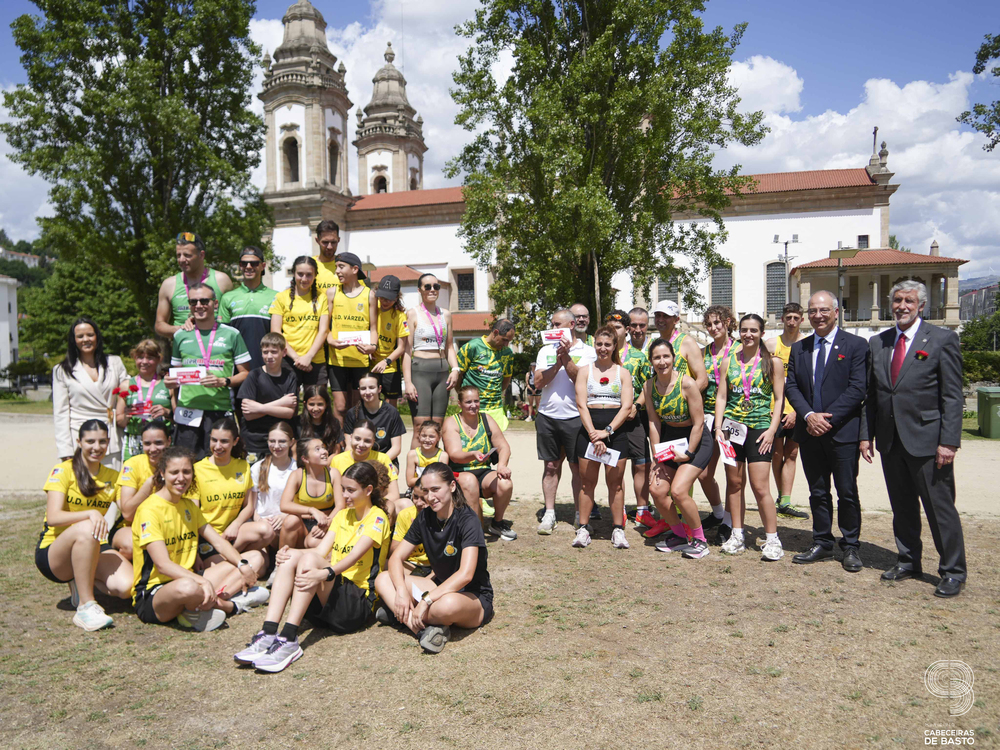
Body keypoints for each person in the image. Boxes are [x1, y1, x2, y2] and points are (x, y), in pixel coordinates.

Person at [860, 280, 967, 597]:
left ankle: (953, 571)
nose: (902, 306)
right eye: (897, 300)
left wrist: (949, 442)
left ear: (921, 305)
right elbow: (872, 395)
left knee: (940, 509)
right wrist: (867, 436)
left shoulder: (941, 340)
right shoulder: (878, 343)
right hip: (891, 442)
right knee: (902, 506)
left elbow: (951, 396)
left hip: (929, 442)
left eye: (909, 301)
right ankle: (908, 560)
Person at [235, 461, 392, 671]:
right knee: (293, 556)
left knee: (309, 561)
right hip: (328, 599)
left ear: (369, 490)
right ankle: (269, 632)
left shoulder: (378, 518)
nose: (344, 495)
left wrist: (324, 573)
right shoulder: (343, 515)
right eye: (343, 489)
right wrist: (289, 554)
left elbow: (354, 557)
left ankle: (289, 639)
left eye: (351, 490)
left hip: (356, 605)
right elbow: (319, 552)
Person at [131, 446, 258, 632]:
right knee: (187, 587)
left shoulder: (188, 505)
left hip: (190, 578)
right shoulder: (149, 510)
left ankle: (203, 604)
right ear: (162, 474)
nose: (181, 478)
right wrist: (203, 582)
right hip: (155, 593)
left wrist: (242, 564)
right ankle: (226, 605)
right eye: (174, 472)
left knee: (254, 557)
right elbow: (163, 565)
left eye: (186, 472)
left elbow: (218, 542)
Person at [784, 292, 868, 572]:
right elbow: (792, 387)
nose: (817, 315)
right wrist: (809, 416)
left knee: (847, 492)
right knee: (817, 492)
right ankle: (821, 542)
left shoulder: (856, 345)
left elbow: (858, 389)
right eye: (812, 311)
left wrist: (827, 419)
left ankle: (851, 546)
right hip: (809, 432)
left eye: (823, 310)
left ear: (835, 311)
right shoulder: (800, 348)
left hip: (841, 432)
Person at [373, 462, 494, 654]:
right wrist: (402, 592)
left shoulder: (468, 520)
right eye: (426, 491)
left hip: (472, 597)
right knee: (383, 578)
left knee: (446, 606)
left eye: (436, 489)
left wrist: (426, 601)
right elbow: (396, 558)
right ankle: (420, 630)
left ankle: (400, 615)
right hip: (439, 588)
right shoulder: (425, 517)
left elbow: (466, 575)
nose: (430, 497)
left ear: (452, 486)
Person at [36, 420, 133, 631]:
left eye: (102, 442)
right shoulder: (63, 470)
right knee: (89, 528)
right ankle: (85, 607)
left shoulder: (113, 477)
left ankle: (81, 583)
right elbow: (53, 517)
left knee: (127, 587)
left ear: (108, 443)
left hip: (93, 545)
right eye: (90, 441)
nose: (96, 447)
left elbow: (128, 511)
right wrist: (89, 513)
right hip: (54, 553)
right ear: (79, 441)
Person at [714, 314, 786, 561]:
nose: (748, 335)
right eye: (744, 330)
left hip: (759, 430)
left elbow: (779, 399)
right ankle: (737, 534)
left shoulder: (772, 363)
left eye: (753, 330)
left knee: (760, 486)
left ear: (761, 333)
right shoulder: (728, 362)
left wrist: (772, 430)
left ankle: (773, 538)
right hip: (732, 429)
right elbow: (722, 396)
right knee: (734, 484)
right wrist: (717, 427)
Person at [643, 339, 713, 558]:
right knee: (657, 490)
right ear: (651, 361)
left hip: (696, 439)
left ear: (674, 358)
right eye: (657, 357)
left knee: (679, 491)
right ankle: (680, 536)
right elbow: (654, 423)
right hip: (670, 439)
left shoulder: (688, 384)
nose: (662, 362)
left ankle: (700, 540)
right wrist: (656, 457)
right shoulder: (649, 386)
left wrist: (689, 453)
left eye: (666, 356)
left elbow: (699, 423)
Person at [166, 282, 251, 456]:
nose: (198, 306)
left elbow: (245, 373)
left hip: (219, 409)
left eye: (204, 300)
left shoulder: (231, 334)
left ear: (215, 303)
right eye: (193, 302)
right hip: (187, 411)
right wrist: (169, 384)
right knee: (186, 464)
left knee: (220, 464)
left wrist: (224, 381)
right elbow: (174, 376)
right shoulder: (180, 335)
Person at [193, 418, 272, 600]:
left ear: (235, 442)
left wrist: (236, 524)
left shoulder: (243, 466)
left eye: (224, 441)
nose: (218, 446)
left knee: (266, 531)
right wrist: (195, 552)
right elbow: (193, 516)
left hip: (233, 535)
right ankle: (225, 595)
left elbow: (249, 506)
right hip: (208, 539)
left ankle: (236, 576)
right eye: (214, 440)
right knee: (260, 560)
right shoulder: (197, 469)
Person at [534, 309, 596, 535]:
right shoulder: (544, 351)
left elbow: (582, 379)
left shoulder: (588, 352)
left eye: (557, 324)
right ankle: (549, 513)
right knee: (550, 466)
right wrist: (558, 361)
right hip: (548, 416)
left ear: (571, 325)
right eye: (551, 324)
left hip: (576, 417)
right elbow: (539, 382)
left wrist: (566, 357)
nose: (552, 328)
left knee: (578, 468)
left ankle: (581, 515)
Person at [572, 325, 633, 549]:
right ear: (594, 345)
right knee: (587, 484)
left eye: (608, 344)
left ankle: (618, 529)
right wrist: (593, 435)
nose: (603, 348)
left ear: (615, 346)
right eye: (599, 344)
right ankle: (584, 528)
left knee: (615, 484)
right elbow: (581, 404)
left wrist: (607, 432)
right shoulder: (584, 371)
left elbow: (626, 407)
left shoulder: (622, 372)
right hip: (589, 431)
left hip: (615, 432)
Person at [53, 317, 130, 469]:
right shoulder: (62, 370)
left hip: (111, 435)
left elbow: (129, 389)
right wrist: (65, 450)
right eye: (80, 336)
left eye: (90, 335)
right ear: (73, 340)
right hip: (81, 438)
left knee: (112, 488)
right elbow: (60, 413)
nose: (85, 339)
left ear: (97, 337)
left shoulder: (115, 363)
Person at [444, 385, 517, 540]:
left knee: (505, 483)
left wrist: (502, 465)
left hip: (483, 470)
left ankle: (497, 523)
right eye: (468, 402)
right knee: (470, 481)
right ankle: (473, 529)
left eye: (476, 401)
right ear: (460, 404)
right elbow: (455, 455)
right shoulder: (452, 422)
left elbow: (504, 446)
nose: (473, 405)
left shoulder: (486, 419)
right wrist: (472, 454)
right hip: (460, 471)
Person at [604, 310, 653, 528]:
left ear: (627, 330)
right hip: (610, 417)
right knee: (615, 466)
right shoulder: (602, 356)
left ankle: (643, 510)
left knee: (641, 464)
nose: (614, 332)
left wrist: (637, 405)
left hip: (634, 418)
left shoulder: (638, 356)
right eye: (610, 328)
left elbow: (647, 386)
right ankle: (619, 509)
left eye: (618, 328)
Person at [402, 272, 460, 441]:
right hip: (420, 370)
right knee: (420, 426)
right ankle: (414, 466)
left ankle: (435, 466)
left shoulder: (446, 315)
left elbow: (449, 346)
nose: (432, 290)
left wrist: (455, 369)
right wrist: (408, 382)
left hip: (441, 370)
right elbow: (407, 350)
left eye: (436, 286)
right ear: (420, 290)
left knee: (437, 426)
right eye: (427, 286)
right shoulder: (412, 313)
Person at [765, 303, 810, 520]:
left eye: (795, 317)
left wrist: (798, 412)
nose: (791, 321)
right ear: (782, 319)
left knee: (792, 453)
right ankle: (781, 495)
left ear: (802, 319)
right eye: (788, 317)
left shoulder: (807, 344)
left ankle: (786, 500)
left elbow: (808, 382)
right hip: (774, 409)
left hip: (798, 409)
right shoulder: (772, 344)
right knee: (776, 453)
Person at [698, 306, 737, 540]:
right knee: (703, 473)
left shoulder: (740, 350)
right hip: (709, 418)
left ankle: (730, 523)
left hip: (733, 420)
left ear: (728, 322)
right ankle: (718, 513)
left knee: (733, 475)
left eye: (717, 323)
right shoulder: (703, 353)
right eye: (710, 324)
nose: (714, 328)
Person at [325, 251, 378, 422]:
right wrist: (330, 339)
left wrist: (373, 346)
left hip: (360, 359)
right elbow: (325, 326)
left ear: (355, 269)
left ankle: (355, 444)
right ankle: (339, 445)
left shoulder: (369, 294)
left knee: (357, 406)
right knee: (340, 407)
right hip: (337, 359)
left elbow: (373, 328)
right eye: (336, 268)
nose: (337, 272)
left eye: (341, 267)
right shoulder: (332, 292)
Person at [113, 420, 174, 561]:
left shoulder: (177, 466)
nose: (152, 449)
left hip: (168, 527)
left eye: (158, 443)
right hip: (132, 526)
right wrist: (149, 485)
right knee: (132, 545)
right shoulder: (132, 464)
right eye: (147, 444)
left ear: (169, 441)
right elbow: (127, 513)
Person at [154, 232, 233, 338]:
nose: (181, 260)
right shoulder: (169, 285)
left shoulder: (222, 280)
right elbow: (159, 325)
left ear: (201, 255)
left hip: (218, 348)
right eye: (178, 255)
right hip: (185, 350)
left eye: (187, 255)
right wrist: (181, 329)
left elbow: (234, 318)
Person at [270, 256, 330, 389]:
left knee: (317, 407)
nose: (304, 279)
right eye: (300, 274)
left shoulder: (322, 298)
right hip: (287, 360)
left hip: (315, 360)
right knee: (289, 407)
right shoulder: (281, 297)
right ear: (293, 274)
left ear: (315, 275)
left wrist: (308, 356)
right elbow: (275, 332)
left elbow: (323, 331)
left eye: (309, 275)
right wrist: (297, 358)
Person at [236, 332, 298, 460]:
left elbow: (289, 412)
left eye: (274, 352)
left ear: (284, 352)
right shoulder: (254, 376)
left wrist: (259, 408)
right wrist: (281, 402)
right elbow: (248, 413)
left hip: (279, 441)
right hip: (254, 440)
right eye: (265, 352)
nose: (269, 356)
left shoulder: (290, 376)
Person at [218, 246, 278, 370]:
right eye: (244, 263)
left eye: (254, 263)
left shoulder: (277, 297)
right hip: (238, 369)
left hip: (268, 366)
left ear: (263, 266)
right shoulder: (227, 298)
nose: (249, 266)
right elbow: (222, 336)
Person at [279, 437, 341, 549]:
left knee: (313, 542)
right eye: (317, 449)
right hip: (301, 525)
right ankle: (281, 561)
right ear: (305, 459)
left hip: (325, 523)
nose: (324, 452)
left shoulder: (333, 474)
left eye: (323, 448)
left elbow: (340, 506)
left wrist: (327, 523)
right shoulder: (297, 475)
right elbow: (284, 505)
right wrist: (311, 510)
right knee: (290, 521)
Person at [456, 319, 516, 430]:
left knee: (495, 446)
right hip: (473, 408)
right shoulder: (472, 347)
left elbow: (506, 379)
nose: (506, 344)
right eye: (504, 340)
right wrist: (466, 396)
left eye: (509, 341)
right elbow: (457, 376)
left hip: (496, 409)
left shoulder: (507, 353)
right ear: (496, 333)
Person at [330, 420, 401, 512]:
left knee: (404, 504)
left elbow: (394, 494)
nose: (361, 445)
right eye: (357, 439)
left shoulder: (383, 459)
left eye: (367, 441)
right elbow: (338, 496)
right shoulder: (337, 460)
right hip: (348, 508)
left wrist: (370, 508)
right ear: (350, 437)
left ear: (373, 442)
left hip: (375, 508)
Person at [249, 422, 298, 555]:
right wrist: (259, 520)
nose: (276, 446)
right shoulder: (257, 468)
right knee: (259, 565)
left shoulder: (298, 469)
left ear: (291, 442)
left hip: (285, 522)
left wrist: (285, 516)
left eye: (282, 441)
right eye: (272, 441)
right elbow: (251, 505)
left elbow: (301, 501)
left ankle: (279, 565)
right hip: (262, 525)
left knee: (289, 526)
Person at [121, 339, 173, 462]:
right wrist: (127, 415)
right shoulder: (126, 385)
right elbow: (120, 421)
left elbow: (178, 417)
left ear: (159, 359)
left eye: (150, 358)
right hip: (134, 442)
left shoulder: (168, 384)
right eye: (140, 357)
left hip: (160, 444)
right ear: (134, 358)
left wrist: (166, 412)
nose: (144, 362)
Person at [342, 373, 406, 465]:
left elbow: (396, 448)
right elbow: (348, 446)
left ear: (379, 389)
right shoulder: (352, 413)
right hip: (358, 461)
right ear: (359, 390)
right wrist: (361, 464)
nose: (367, 392)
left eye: (372, 387)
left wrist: (377, 464)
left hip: (383, 460)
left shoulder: (391, 412)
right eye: (363, 388)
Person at [371, 274, 409, 407]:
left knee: (390, 407)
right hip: (371, 364)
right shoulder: (372, 309)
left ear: (397, 297)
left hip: (390, 367)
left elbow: (401, 348)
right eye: (382, 296)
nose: (385, 301)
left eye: (389, 298)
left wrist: (386, 361)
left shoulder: (400, 316)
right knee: (370, 403)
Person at [293, 384, 345, 454]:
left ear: (326, 404)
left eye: (320, 404)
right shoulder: (297, 423)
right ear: (305, 404)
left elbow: (336, 450)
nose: (316, 409)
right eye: (311, 404)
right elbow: (294, 451)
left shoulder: (333, 423)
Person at [404, 420, 449, 490]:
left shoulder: (442, 456)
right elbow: (409, 482)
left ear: (439, 438)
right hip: (418, 490)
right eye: (424, 436)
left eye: (431, 436)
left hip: (435, 490)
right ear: (419, 436)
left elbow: (442, 480)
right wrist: (429, 479)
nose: (427, 440)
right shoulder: (413, 455)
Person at [312, 219, 343, 297]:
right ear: (317, 240)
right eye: (325, 242)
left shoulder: (346, 265)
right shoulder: (309, 265)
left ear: (339, 240)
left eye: (333, 242)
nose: (329, 247)